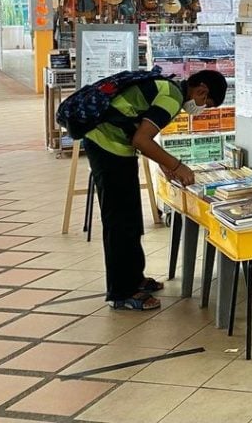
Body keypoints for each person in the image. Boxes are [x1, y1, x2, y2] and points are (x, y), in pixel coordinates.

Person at [83, 69, 227, 310]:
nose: (201, 107)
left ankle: (134, 279)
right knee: (119, 221)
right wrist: (177, 165)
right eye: (206, 102)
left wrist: (163, 162)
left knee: (131, 218)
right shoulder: (171, 97)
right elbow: (141, 140)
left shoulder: (170, 89)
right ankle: (122, 292)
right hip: (106, 146)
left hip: (115, 146)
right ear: (201, 90)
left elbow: (140, 131)